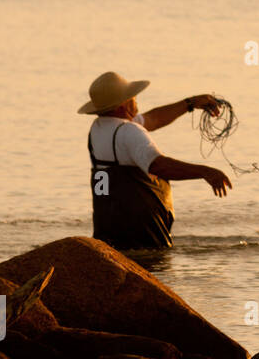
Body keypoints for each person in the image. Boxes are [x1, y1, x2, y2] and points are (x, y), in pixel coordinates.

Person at [78, 71, 232, 250]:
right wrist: (206, 172)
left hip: (108, 233)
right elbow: (159, 166)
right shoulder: (129, 132)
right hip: (141, 236)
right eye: (132, 96)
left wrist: (190, 103)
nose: (135, 99)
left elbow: (154, 118)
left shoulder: (98, 129)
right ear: (123, 104)